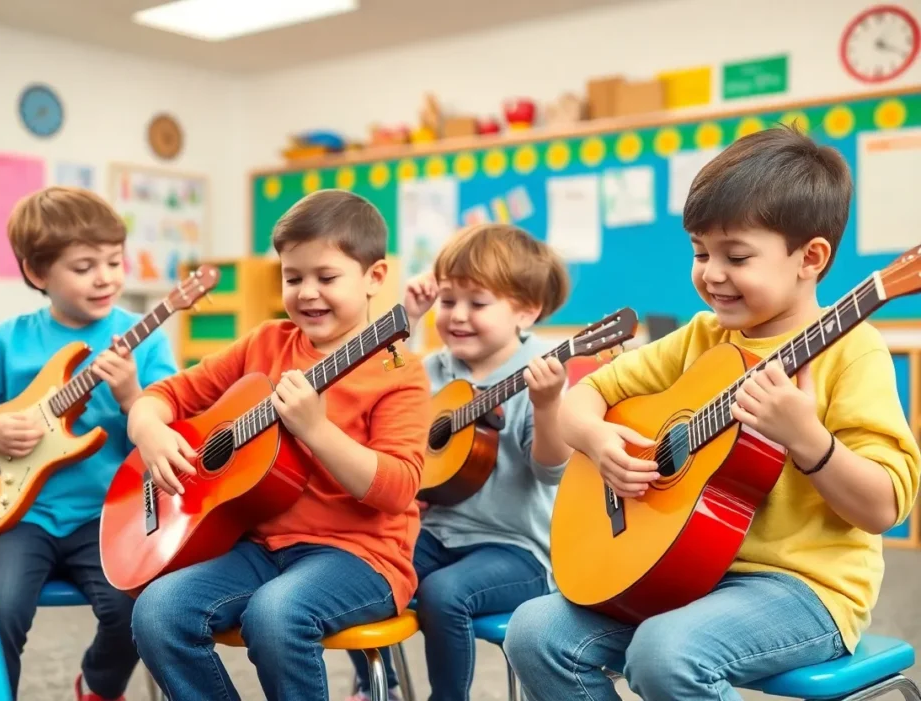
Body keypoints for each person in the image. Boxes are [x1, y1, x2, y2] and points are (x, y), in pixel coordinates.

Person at [503, 125, 921, 700]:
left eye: (737, 255)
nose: (711, 273)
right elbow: (585, 397)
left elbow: (882, 506)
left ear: (811, 257)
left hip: (804, 588)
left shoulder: (854, 351)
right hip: (684, 570)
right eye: (701, 252)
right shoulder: (701, 336)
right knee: (535, 631)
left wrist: (808, 439)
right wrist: (600, 443)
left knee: (664, 654)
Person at [127, 189, 432, 701]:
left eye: (326, 277)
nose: (307, 293)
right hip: (262, 547)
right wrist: (151, 432)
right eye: (293, 278)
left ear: (375, 277)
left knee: (275, 614)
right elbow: (163, 395)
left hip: (363, 558)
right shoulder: (266, 343)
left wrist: (316, 430)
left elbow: (397, 489)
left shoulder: (399, 373)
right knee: (158, 611)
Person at [0, 186, 178, 701]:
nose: (106, 277)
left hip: (108, 517)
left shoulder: (143, 338)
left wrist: (131, 394)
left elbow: (178, 422)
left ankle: (99, 685)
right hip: (20, 516)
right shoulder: (8, 340)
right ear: (39, 274)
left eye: (114, 260)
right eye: (84, 266)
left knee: (136, 606)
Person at [346, 223, 574, 701]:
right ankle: (375, 680)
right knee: (353, 563)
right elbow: (370, 387)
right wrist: (405, 317)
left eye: (478, 303)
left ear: (525, 311)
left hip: (516, 549)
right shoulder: (431, 367)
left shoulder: (542, 374)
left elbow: (551, 470)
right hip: (437, 533)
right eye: (448, 301)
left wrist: (548, 405)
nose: (458, 316)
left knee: (444, 594)